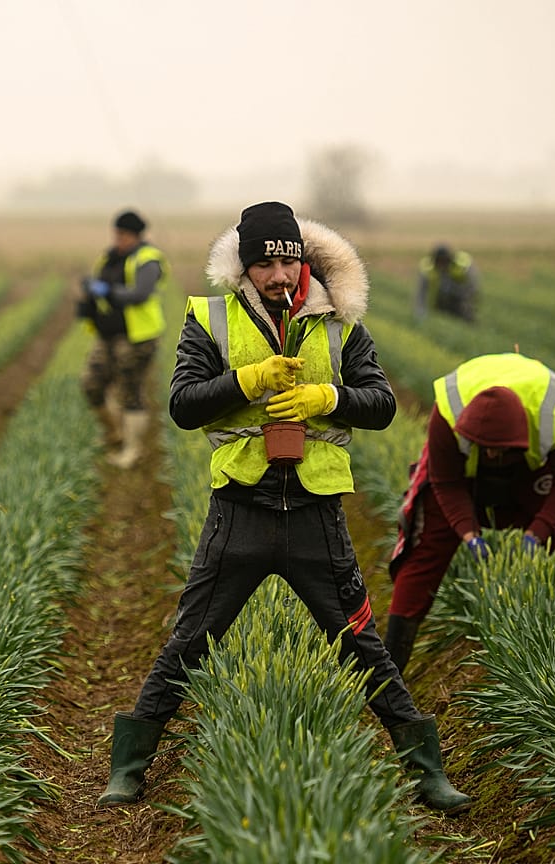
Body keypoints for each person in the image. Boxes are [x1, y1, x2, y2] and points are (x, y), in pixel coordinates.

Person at [97, 201, 471, 814]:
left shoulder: (341, 321)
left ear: (303, 260)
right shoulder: (210, 320)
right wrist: (250, 381)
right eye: (265, 264)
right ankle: (129, 768)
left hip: (316, 518)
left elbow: (379, 404)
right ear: (245, 267)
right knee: (190, 640)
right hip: (238, 511)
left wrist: (326, 396)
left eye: (288, 262)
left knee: (361, 645)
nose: (279, 276)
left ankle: (427, 770)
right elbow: (184, 405)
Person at [384, 352, 555, 675]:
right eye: (485, 447)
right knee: (425, 548)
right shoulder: (448, 415)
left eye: (498, 449)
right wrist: (468, 533)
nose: (492, 454)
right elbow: (446, 483)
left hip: (532, 469)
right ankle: (389, 669)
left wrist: (538, 531)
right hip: (463, 472)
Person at [76, 209, 169, 470]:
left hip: (138, 338)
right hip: (107, 336)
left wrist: (107, 291)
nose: (118, 238)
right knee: (91, 384)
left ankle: (133, 449)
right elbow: (98, 289)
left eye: (123, 234)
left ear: (136, 235)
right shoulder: (109, 257)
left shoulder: (148, 259)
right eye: (116, 233)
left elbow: (139, 294)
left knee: (131, 390)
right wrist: (88, 300)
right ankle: (115, 432)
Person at [414, 244, 479, 323]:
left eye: (444, 262)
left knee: (466, 315)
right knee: (440, 315)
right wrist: (420, 312)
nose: (442, 265)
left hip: (460, 294)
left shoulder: (462, 265)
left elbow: (473, 286)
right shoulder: (427, 268)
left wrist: (468, 304)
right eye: (439, 262)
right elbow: (421, 292)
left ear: (450, 260)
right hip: (438, 297)